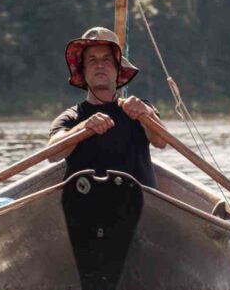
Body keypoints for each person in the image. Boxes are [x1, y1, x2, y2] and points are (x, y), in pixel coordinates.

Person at [48, 27, 166, 187]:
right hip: (85, 203)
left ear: (118, 70)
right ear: (83, 71)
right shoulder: (71, 117)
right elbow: (52, 154)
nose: (100, 65)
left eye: (107, 59)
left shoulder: (139, 110)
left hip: (137, 205)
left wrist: (147, 113)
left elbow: (161, 141)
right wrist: (83, 127)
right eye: (92, 60)